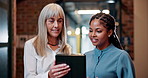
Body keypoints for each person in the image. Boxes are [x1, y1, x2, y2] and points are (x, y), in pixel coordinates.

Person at [24, 3, 71, 78]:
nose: (56, 25)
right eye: (51, 21)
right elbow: (29, 76)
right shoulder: (31, 45)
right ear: (44, 23)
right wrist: (48, 76)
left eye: (59, 21)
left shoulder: (66, 48)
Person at [85, 13, 135, 78]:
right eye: (91, 30)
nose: (93, 35)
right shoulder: (86, 56)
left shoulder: (121, 56)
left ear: (109, 32)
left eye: (98, 31)